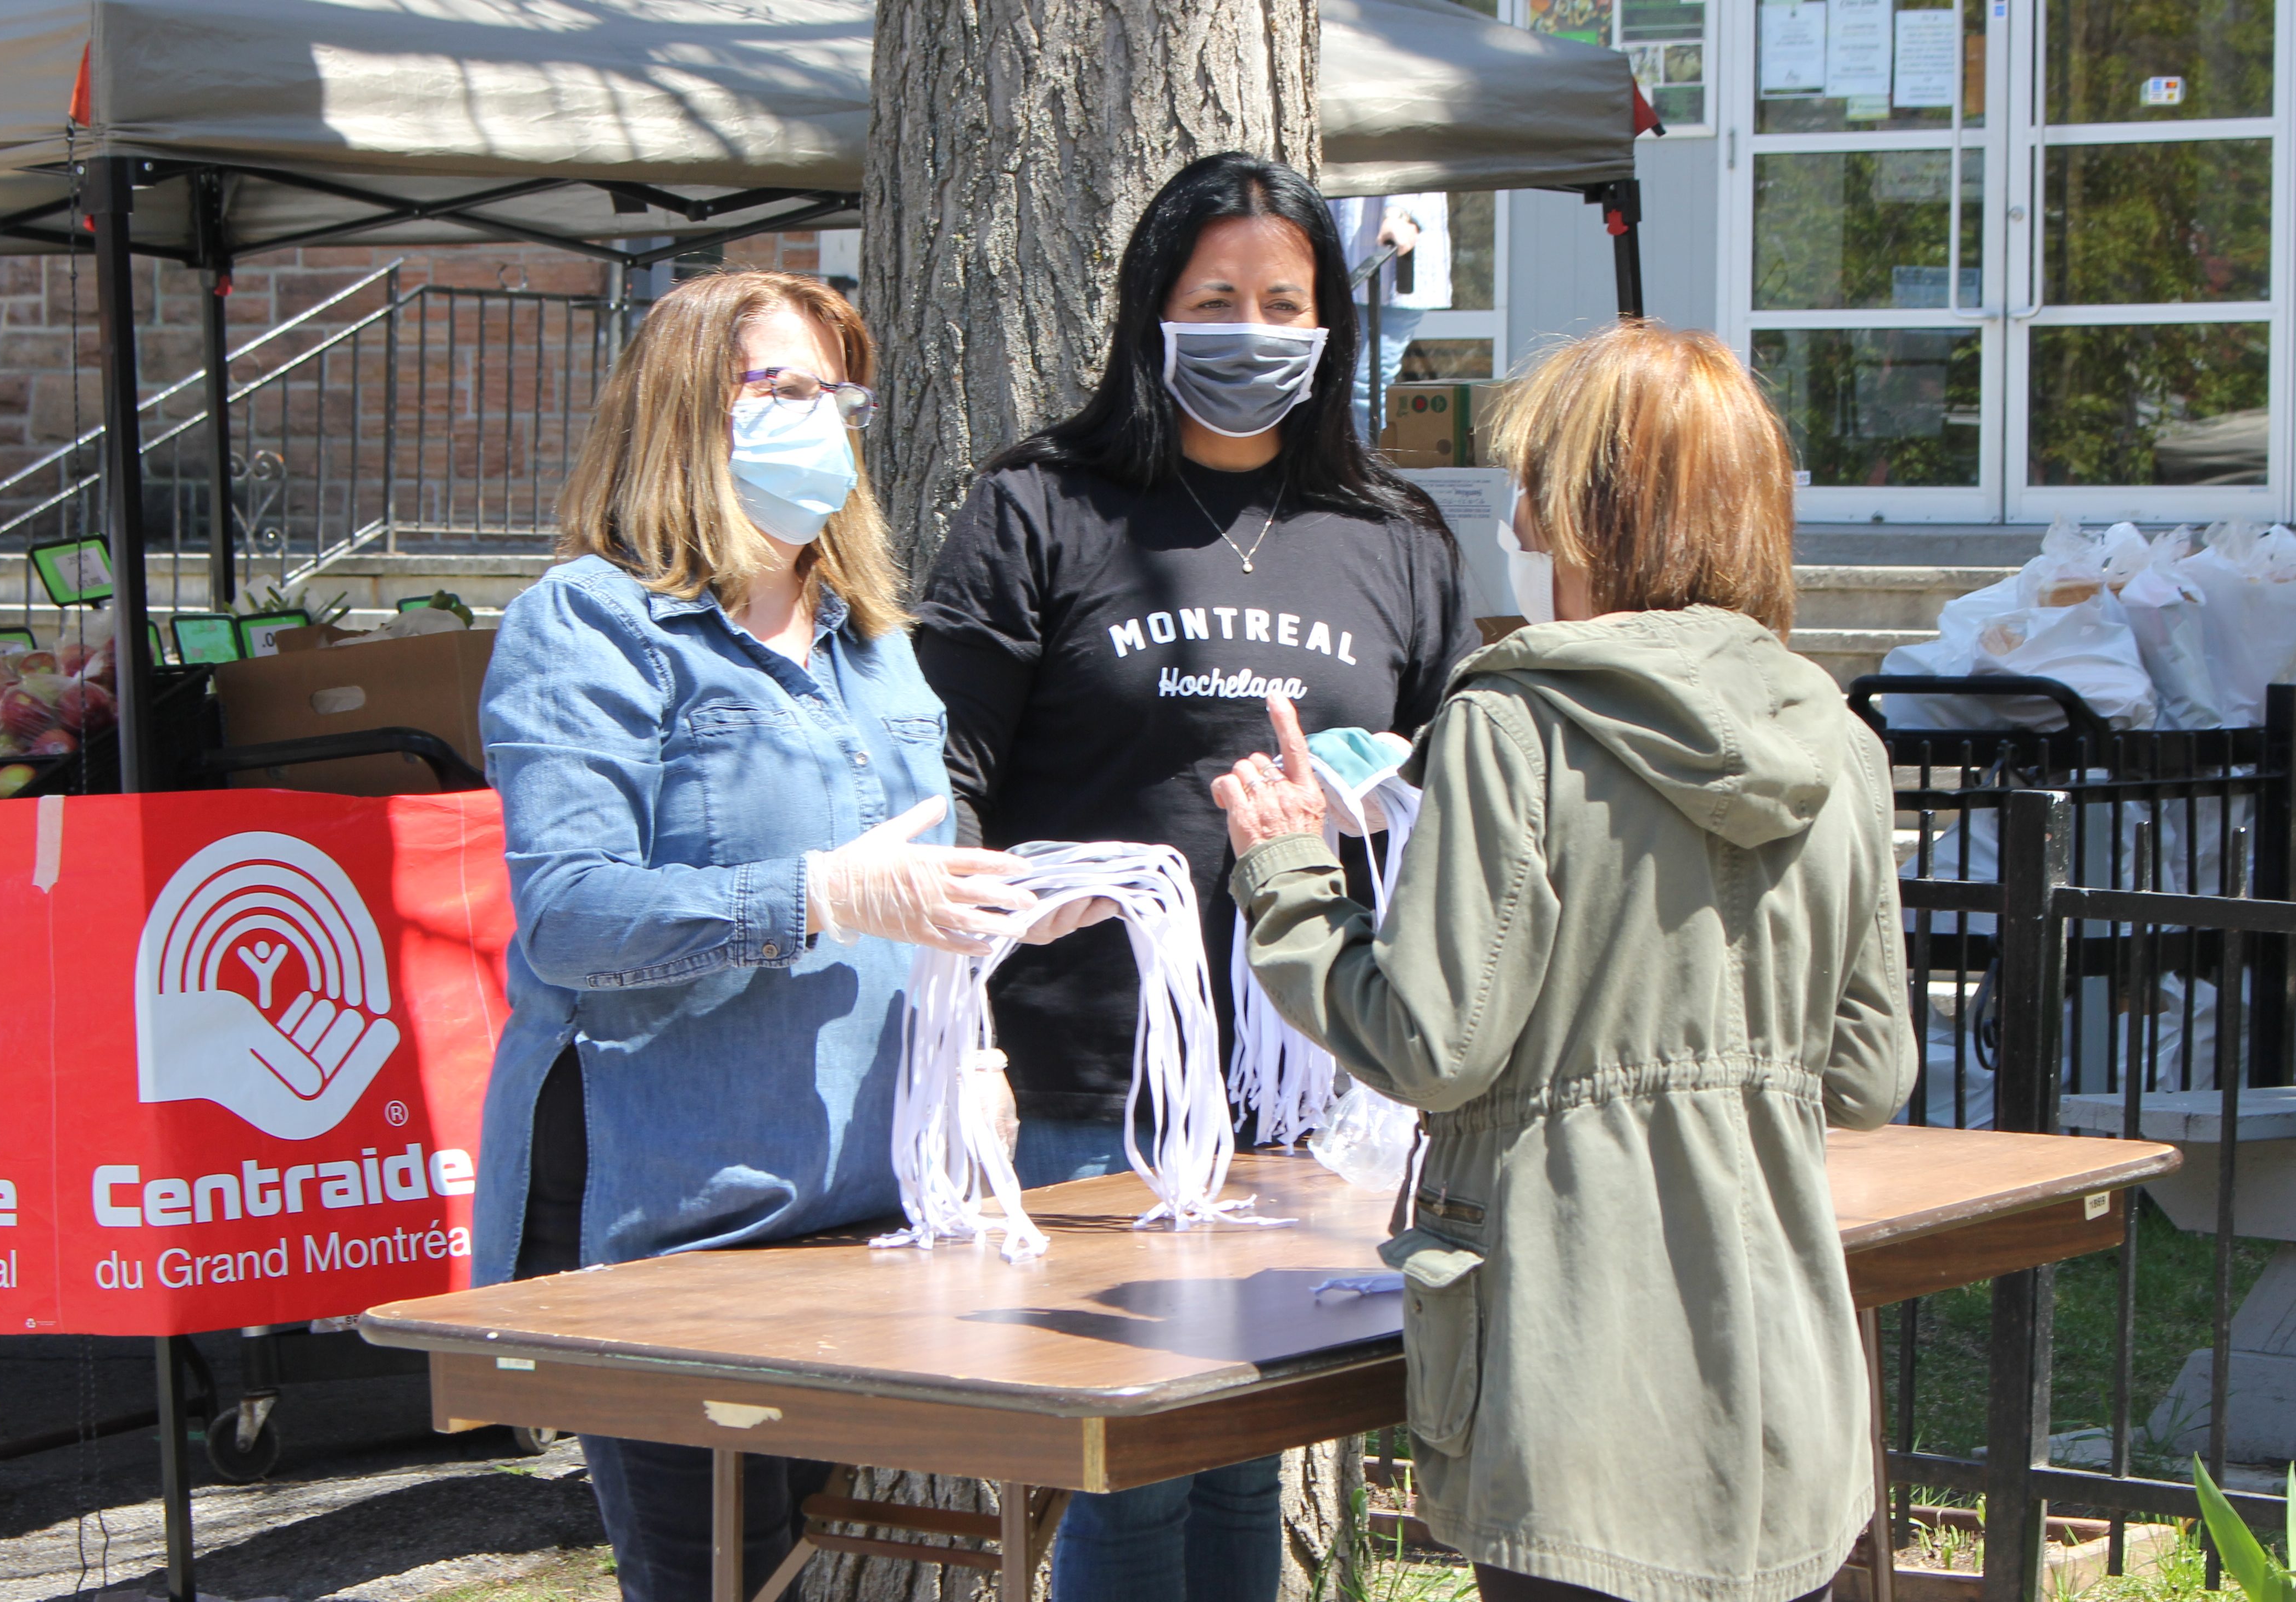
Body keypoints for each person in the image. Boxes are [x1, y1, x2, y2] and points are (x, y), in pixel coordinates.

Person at [1214, 322, 1917, 1602]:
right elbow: (1868, 1072)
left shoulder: (1515, 722)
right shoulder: (1838, 740)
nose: (1521, 522)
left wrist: (1291, 875)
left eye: (1533, 484)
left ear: (1584, 511)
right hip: (1782, 1385)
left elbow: (1434, 1043)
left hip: (1569, 1382)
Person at [470, 269, 1086, 1602]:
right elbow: (570, 915)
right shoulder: (589, 623)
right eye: (785, 389)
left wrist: (1003, 947)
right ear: (687, 408)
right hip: (675, 1230)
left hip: (866, 1213)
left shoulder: (878, 644)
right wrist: (817, 894)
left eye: (836, 397)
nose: (824, 422)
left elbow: (916, 886)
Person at [916, 152, 1482, 1602]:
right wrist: (967, 1023)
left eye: (1284, 304)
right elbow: (946, 776)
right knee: (1131, 1476)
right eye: (1216, 299)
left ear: (1331, 323)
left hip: (1303, 1080)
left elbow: (1455, 780)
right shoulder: (1043, 505)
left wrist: (1378, 791)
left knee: (1243, 1466)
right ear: (1151, 311)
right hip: (1088, 1076)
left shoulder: (1395, 535)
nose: (1252, 330)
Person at [1327, 191, 1450, 440]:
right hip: (1338, 267)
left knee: (1364, 386)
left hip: (1388, 270)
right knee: (1336, 384)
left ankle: (1367, 462)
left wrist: (1399, 215)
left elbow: (1414, 172)